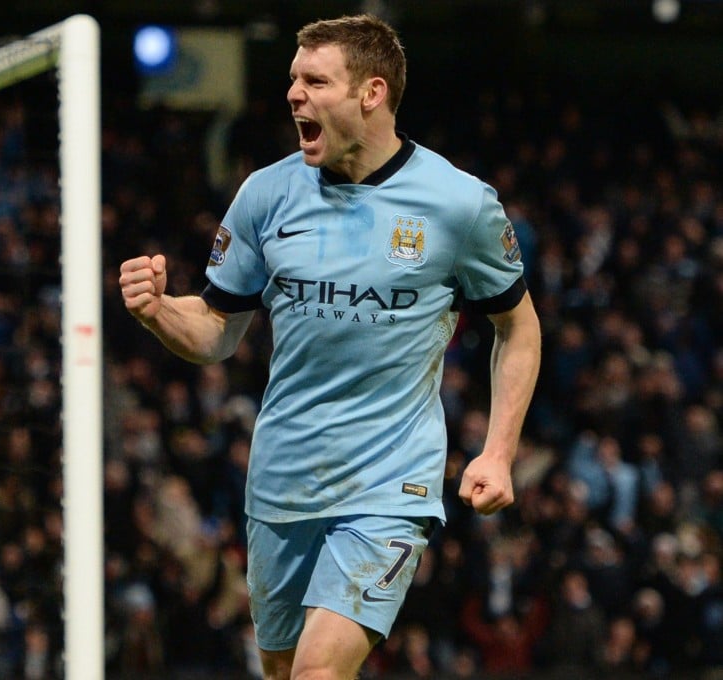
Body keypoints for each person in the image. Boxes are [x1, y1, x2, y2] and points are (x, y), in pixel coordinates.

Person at [119, 14, 541, 680]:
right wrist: (159, 312)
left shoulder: (458, 205)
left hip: (390, 483)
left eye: (315, 81)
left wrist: (499, 451)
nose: (294, 94)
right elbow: (217, 329)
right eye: (294, 79)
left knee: (317, 672)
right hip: (281, 481)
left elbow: (519, 327)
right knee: (283, 671)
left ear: (371, 93)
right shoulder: (265, 195)